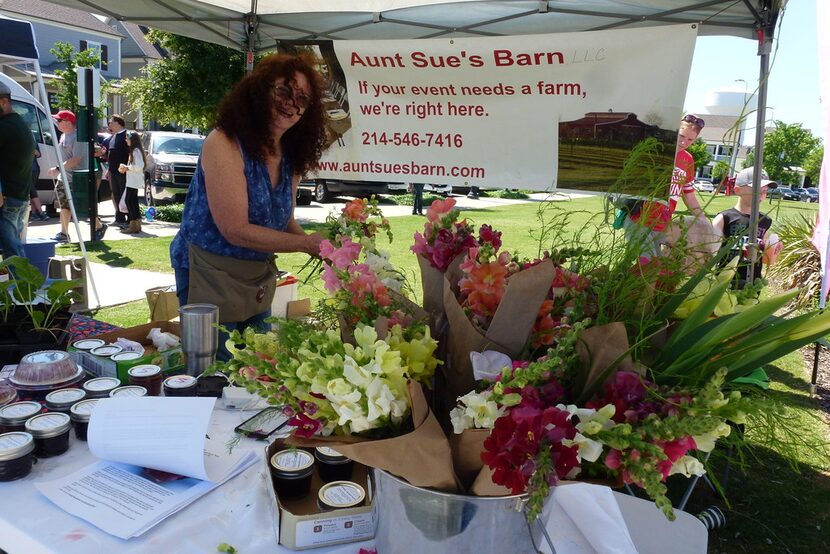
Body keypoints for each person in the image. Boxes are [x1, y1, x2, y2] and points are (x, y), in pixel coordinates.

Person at [169, 53, 327, 360]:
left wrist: (325, 246)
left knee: (256, 368)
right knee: (214, 372)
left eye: (302, 98)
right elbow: (235, 230)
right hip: (209, 275)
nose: (291, 103)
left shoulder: (290, 154)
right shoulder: (225, 142)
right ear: (259, 91)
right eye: (283, 91)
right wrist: (306, 244)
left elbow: (284, 221)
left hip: (256, 280)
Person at [624, 113, 706, 259]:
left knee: (657, 267)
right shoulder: (655, 150)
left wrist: (702, 219)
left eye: (690, 140)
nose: (684, 142)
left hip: (662, 223)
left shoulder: (688, 159)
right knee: (646, 265)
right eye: (681, 136)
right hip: (639, 218)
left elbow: (689, 195)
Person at [712, 167, 783, 288]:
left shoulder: (765, 221)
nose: (761, 195)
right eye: (756, 190)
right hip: (725, 282)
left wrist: (772, 250)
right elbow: (710, 251)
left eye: (765, 191)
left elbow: (765, 258)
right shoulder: (724, 218)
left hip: (752, 284)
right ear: (738, 190)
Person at [47, 110, 108, 243]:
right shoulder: (64, 135)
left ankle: (100, 226)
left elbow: (76, 159)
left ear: (68, 122)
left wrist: (58, 169)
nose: (57, 122)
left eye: (59, 120)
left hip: (77, 179)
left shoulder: (77, 138)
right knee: (64, 206)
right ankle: (64, 233)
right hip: (64, 177)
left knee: (83, 207)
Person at [0, 81, 35, 259]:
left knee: (11, 250)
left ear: (4, 102)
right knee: (14, 247)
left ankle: (17, 286)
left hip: (7, 197)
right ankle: (20, 284)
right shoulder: (19, 124)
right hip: (18, 196)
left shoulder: (5, 127)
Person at [118, 132, 145, 234]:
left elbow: (139, 166)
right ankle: (136, 224)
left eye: (127, 138)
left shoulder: (136, 151)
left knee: (129, 200)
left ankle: (133, 225)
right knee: (133, 201)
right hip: (133, 180)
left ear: (132, 140)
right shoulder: (135, 151)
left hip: (133, 181)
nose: (126, 140)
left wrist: (127, 168)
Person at [107, 115, 130, 228]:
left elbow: (130, 153)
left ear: (118, 123)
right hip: (113, 171)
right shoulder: (114, 137)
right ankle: (119, 218)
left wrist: (127, 168)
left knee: (124, 194)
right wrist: (109, 170)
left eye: (111, 122)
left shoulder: (126, 136)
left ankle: (129, 219)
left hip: (123, 172)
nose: (109, 125)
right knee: (116, 194)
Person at [29, 145, 49, 221]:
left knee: (32, 191)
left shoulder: (33, 140)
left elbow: (38, 154)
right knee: (32, 190)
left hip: (33, 169)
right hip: (29, 168)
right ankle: (37, 213)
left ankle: (38, 213)